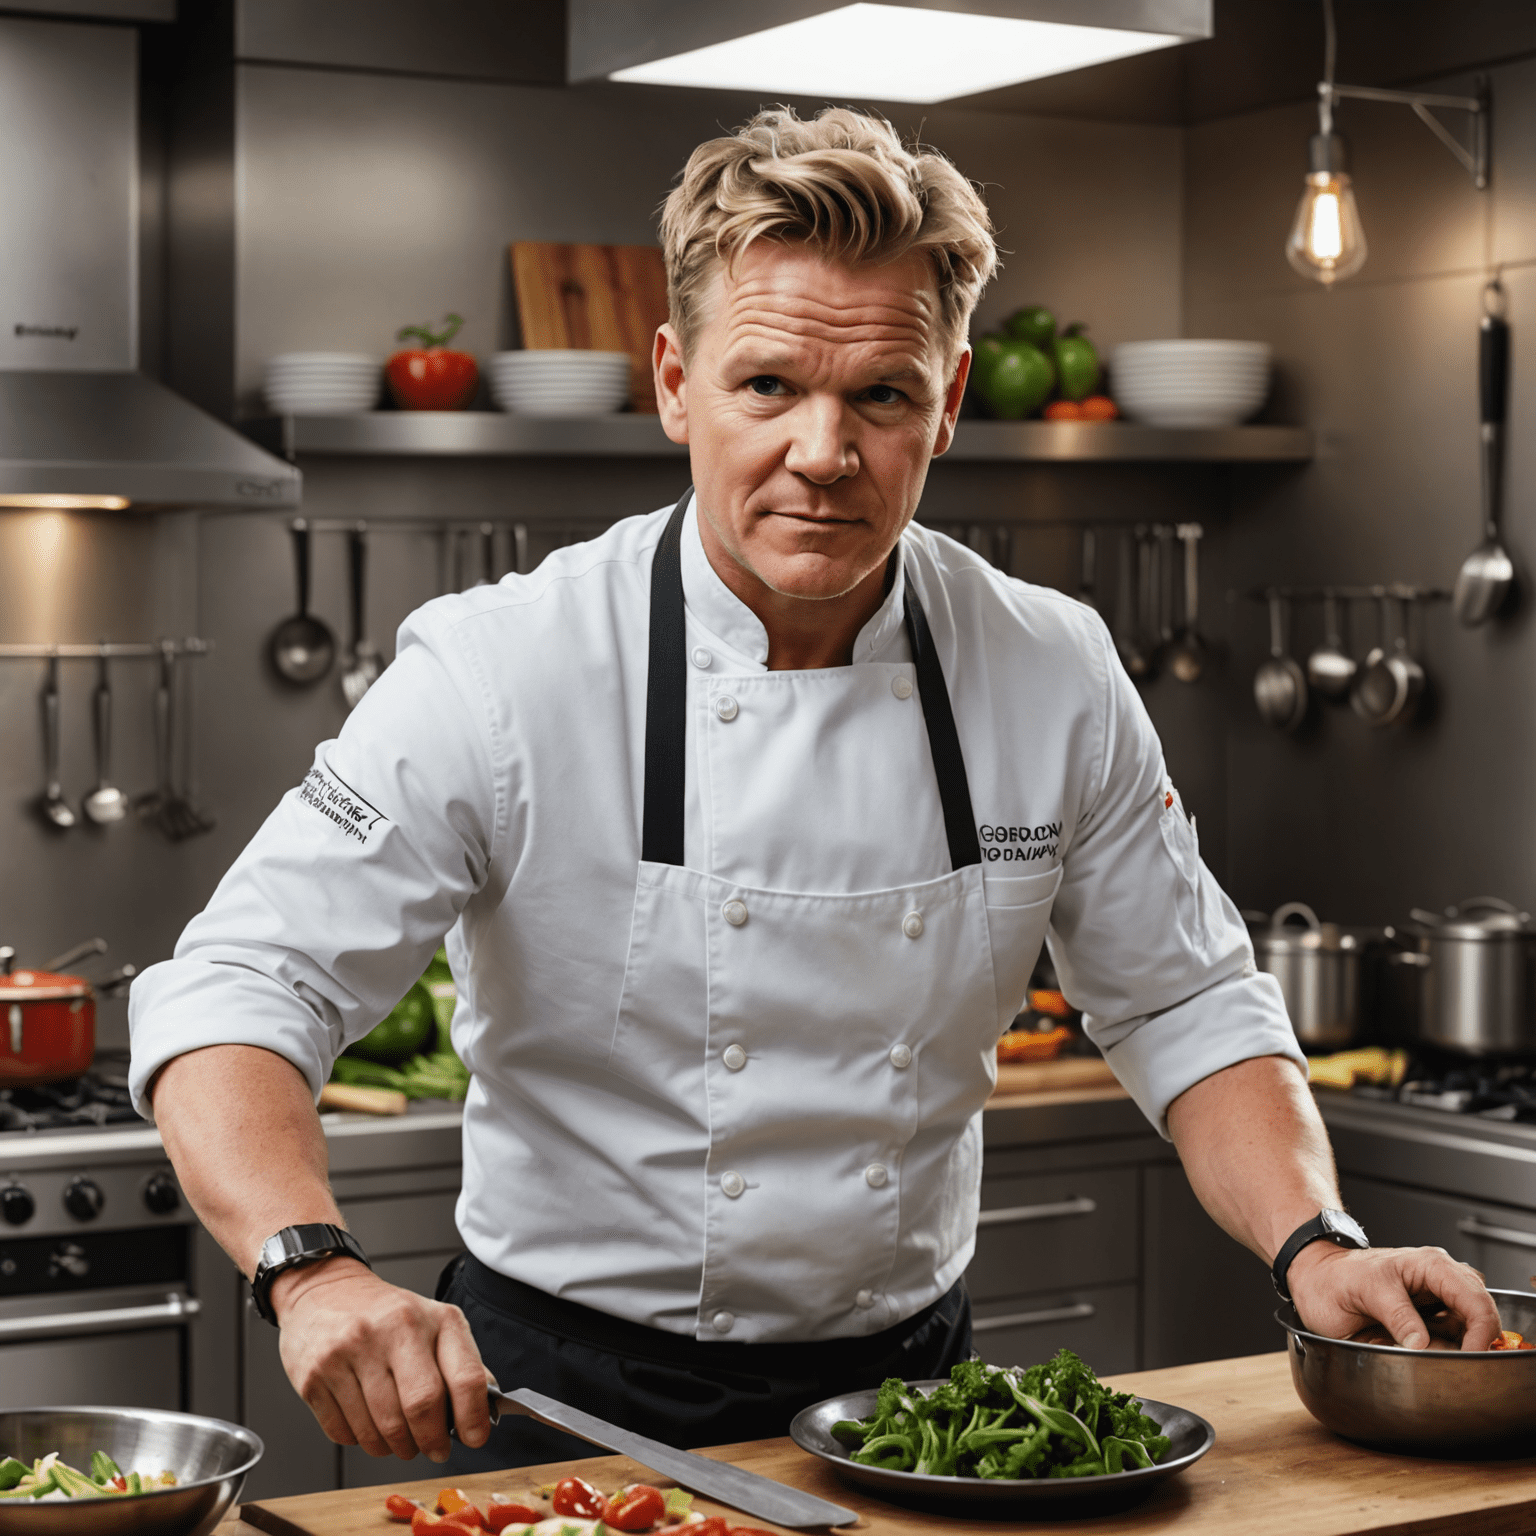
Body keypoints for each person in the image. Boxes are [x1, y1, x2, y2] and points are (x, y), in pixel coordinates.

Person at [129, 106, 1499, 1473]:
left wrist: (1318, 1239)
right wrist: (310, 1269)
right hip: (556, 1410)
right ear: (676, 382)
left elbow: (1184, 996)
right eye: (768, 386)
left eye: (882, 396)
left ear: (948, 402)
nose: (825, 452)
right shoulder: (502, 668)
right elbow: (242, 987)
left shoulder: (1050, 666)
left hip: (913, 1412)